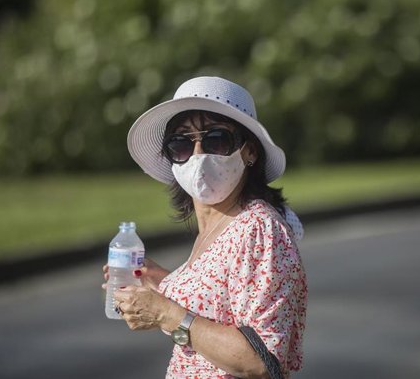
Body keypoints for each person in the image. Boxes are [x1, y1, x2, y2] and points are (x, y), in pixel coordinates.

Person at [104, 76, 307, 378]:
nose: (198, 154)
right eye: (181, 144)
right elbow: (217, 310)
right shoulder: (216, 228)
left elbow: (262, 360)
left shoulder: (258, 228)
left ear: (250, 152)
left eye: (216, 140)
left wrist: (163, 311)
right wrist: (162, 283)